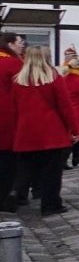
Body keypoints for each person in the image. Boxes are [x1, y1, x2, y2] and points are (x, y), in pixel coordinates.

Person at [11, 46, 76, 215]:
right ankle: (50, 203)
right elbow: (65, 106)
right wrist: (74, 129)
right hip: (51, 130)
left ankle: (14, 195)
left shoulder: (18, 80)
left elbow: (14, 109)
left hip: (26, 130)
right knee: (51, 171)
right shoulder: (53, 77)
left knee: (25, 168)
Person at [0, 32, 22, 210]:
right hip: (8, 117)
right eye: (19, 42)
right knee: (8, 162)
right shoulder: (14, 64)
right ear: (10, 44)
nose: (22, 45)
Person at [60, 50, 79, 170]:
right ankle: (63, 160)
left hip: (67, 109)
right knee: (75, 137)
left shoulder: (63, 78)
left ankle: (76, 156)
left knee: (72, 136)